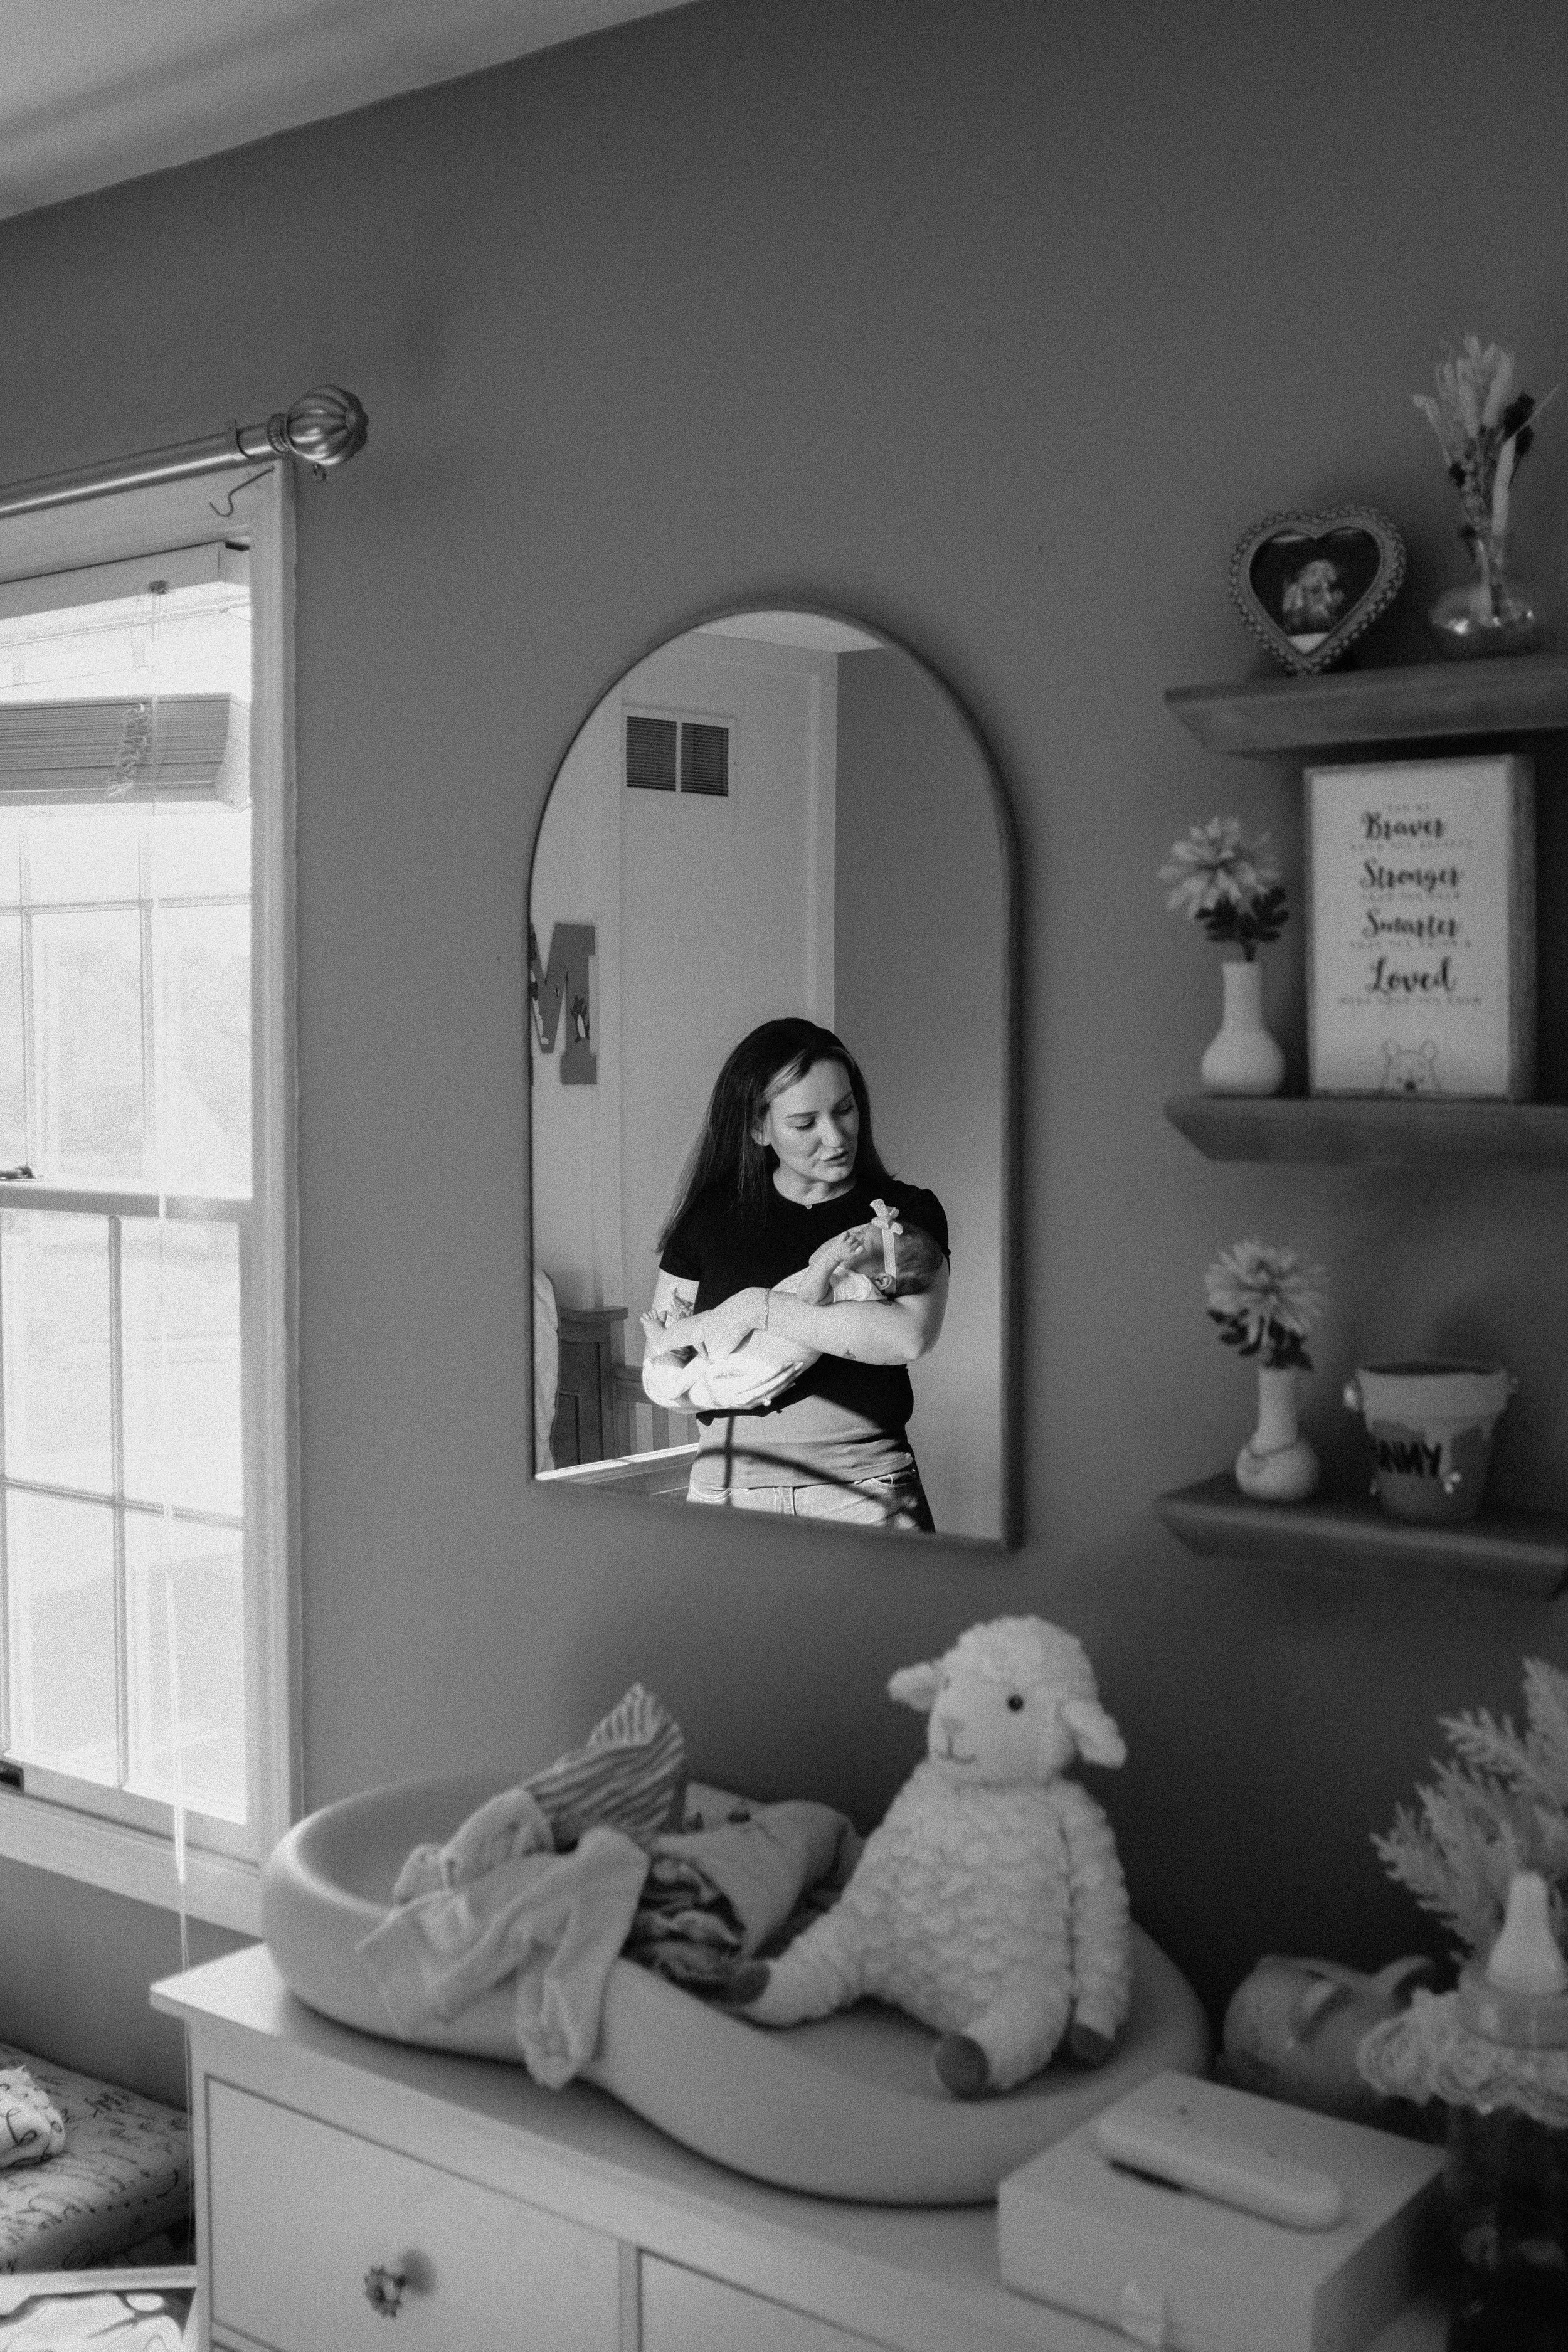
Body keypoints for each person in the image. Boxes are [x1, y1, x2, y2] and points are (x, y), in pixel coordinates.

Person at [645, 1018, 949, 1528]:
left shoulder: (897, 1218)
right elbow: (664, 1356)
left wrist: (758, 1308)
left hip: (862, 1494)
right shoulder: (709, 1219)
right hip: (726, 1496)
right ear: (758, 1128)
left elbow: (907, 1337)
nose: (835, 1137)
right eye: (806, 1123)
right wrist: (711, 1388)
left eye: (845, 1109)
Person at [642, 1207, 947, 1415]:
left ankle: (666, 1338)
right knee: (703, 1359)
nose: (847, 1238)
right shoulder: (706, 1215)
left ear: (882, 1279)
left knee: (708, 1329)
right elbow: (817, 1257)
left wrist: (832, 1259)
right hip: (734, 1464)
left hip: (771, 1360)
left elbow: (810, 1295)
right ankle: (680, 1357)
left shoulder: (855, 1284)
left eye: (859, 1242)